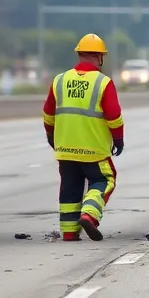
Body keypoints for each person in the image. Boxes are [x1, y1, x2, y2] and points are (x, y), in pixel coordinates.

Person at [42, 33, 125, 241]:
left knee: (70, 188)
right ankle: (90, 215)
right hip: (93, 150)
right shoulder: (103, 82)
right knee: (104, 180)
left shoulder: (60, 80)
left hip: (66, 150)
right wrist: (118, 139)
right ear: (100, 57)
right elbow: (114, 116)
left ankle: (69, 233)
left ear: (79, 54)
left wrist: (51, 137)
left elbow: (48, 114)